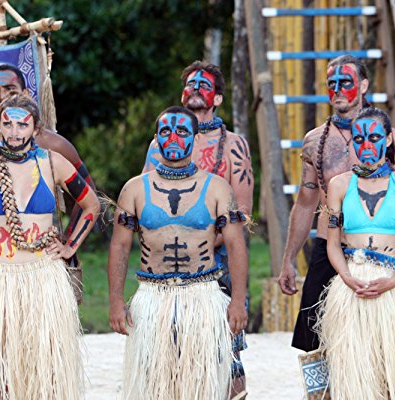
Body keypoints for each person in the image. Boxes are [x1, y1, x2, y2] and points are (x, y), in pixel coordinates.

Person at [108, 106, 248, 400]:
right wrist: (116, 301)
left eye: (182, 131)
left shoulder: (217, 189)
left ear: (196, 140)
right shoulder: (135, 189)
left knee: (201, 385)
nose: (173, 138)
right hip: (152, 296)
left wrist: (237, 302)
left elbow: (236, 245)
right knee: (155, 383)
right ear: (156, 140)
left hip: (202, 295)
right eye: (165, 132)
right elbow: (120, 246)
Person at [143, 61, 253, 398]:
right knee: (171, 352)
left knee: (227, 352)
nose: (194, 89)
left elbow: (243, 212)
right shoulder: (158, 145)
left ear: (218, 98)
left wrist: (204, 242)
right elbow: (147, 201)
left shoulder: (233, 145)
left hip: (219, 257)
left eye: (202, 85)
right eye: (189, 84)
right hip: (169, 263)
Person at [0, 94, 100, 399]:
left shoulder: (52, 162)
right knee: (2, 365)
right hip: (1, 276)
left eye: (22, 125)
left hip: (44, 276)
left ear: (35, 128)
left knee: (46, 363)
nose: (14, 132)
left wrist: (70, 246)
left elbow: (91, 204)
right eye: (7, 124)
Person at [278, 55, 371, 351]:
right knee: (314, 339)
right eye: (332, 84)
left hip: (376, 244)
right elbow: (306, 203)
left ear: (364, 85)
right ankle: (321, 397)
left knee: (374, 335)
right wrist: (288, 259)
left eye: (346, 82)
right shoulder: (315, 140)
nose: (338, 89)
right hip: (326, 245)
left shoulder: (386, 136)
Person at [318, 107, 395, 399]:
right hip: (352, 287)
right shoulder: (339, 185)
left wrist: (391, 281)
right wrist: (348, 278)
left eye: (374, 137)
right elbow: (332, 243)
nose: (366, 146)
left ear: (388, 139)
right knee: (356, 375)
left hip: (391, 285)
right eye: (359, 139)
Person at [0, 63, 96, 233]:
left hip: (44, 252)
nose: (1, 97)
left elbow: (89, 196)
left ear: (25, 93)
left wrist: (68, 243)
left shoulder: (54, 145)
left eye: (10, 90)